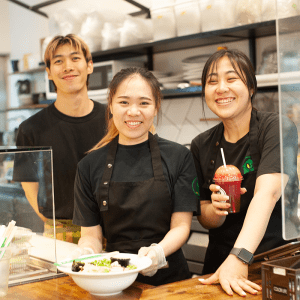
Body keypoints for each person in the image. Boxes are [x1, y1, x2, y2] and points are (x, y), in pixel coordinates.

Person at [72, 67, 199, 285]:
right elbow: (91, 234)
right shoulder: (88, 166)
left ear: (156, 107)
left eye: (144, 103)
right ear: (111, 105)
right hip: (113, 279)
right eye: (124, 102)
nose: (133, 112)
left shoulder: (179, 157)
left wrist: (158, 253)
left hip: (170, 280)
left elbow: (181, 226)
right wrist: (87, 252)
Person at [191, 49, 299, 296]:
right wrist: (216, 210)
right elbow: (204, 215)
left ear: (250, 87)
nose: (221, 88)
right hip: (220, 266)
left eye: (231, 79)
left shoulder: (276, 128)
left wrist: (239, 257)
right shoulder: (201, 144)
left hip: (270, 263)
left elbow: (267, 195)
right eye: (212, 81)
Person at [14, 34, 106, 243]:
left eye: (75, 58)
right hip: (61, 235)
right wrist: (57, 227)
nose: (67, 67)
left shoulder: (114, 121)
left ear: (89, 66)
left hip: (114, 229)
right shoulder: (30, 129)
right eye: (58, 61)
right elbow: (30, 190)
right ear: (48, 72)